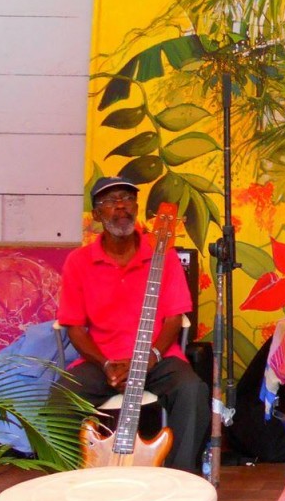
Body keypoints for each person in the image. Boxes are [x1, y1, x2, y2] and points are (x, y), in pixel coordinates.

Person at [55, 176, 211, 475]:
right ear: (97, 214)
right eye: (110, 201)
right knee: (59, 400)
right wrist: (105, 364)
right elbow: (74, 326)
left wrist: (151, 356)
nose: (120, 206)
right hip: (103, 360)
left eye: (127, 199)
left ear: (136, 208)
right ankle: (69, 481)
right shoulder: (79, 261)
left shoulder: (163, 255)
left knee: (192, 391)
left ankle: (181, 480)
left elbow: (174, 318)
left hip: (157, 358)